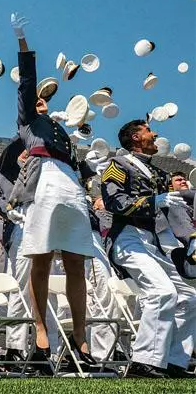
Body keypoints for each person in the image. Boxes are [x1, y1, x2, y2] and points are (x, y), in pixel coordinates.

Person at [8, 13, 96, 369]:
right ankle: (41, 333)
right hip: (42, 181)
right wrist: (22, 42)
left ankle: (80, 339)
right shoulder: (29, 120)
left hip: (69, 183)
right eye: (37, 99)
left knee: (76, 262)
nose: (41, 100)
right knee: (41, 259)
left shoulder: (60, 128)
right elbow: (27, 83)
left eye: (45, 99)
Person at [102, 119, 196, 378]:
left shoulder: (161, 175)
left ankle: (174, 362)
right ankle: (143, 362)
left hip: (154, 242)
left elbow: (176, 213)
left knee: (189, 298)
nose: (154, 134)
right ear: (135, 137)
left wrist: (191, 240)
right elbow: (114, 200)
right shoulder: (118, 164)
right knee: (162, 292)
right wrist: (154, 201)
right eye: (147, 130)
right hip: (128, 238)